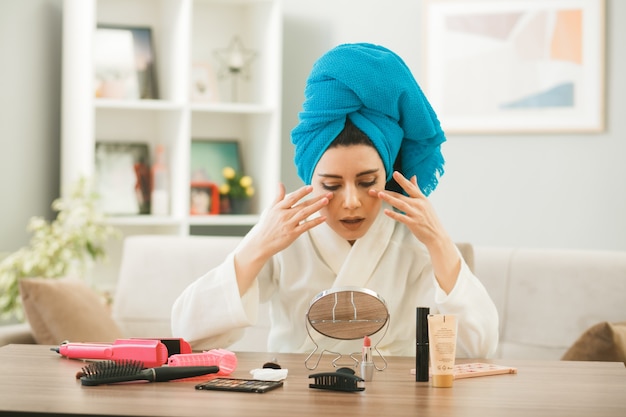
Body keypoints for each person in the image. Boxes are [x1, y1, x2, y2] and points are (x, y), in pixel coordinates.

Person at [172, 43, 499, 358]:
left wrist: (438, 241)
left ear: (386, 176)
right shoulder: (285, 233)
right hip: (296, 396)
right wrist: (257, 246)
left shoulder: (412, 234)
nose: (352, 201)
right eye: (331, 184)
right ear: (309, 180)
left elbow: (480, 347)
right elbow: (189, 335)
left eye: (367, 181)